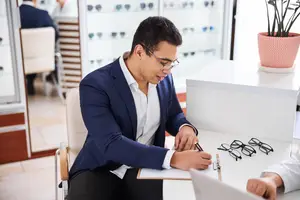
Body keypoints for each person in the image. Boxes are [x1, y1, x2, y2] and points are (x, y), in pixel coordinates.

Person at [68, 16, 212, 200]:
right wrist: (173, 158)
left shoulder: (163, 78)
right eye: (163, 62)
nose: (167, 70)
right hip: (101, 169)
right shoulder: (95, 85)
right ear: (139, 51)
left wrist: (185, 128)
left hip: (146, 169)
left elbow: (174, 114)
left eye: (172, 63)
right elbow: (111, 143)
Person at [19, 0, 59, 95]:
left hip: (19, 59)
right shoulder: (43, 14)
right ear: (34, 1)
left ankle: (27, 82)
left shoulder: (14, 16)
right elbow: (55, 35)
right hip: (42, 60)